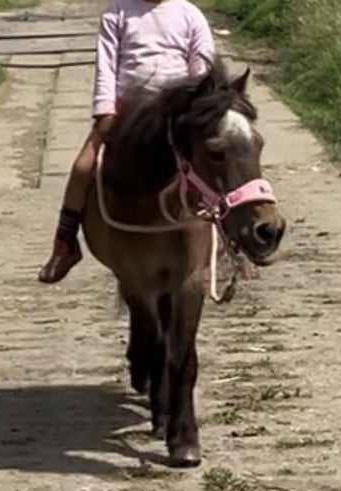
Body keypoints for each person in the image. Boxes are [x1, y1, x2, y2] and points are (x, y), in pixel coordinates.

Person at [37, 0, 216, 284]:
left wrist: (197, 106)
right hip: (128, 112)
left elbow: (202, 66)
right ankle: (65, 243)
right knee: (84, 167)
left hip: (176, 112)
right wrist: (105, 110)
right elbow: (106, 66)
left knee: (218, 160)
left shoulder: (189, 14)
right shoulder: (117, 13)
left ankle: (235, 243)